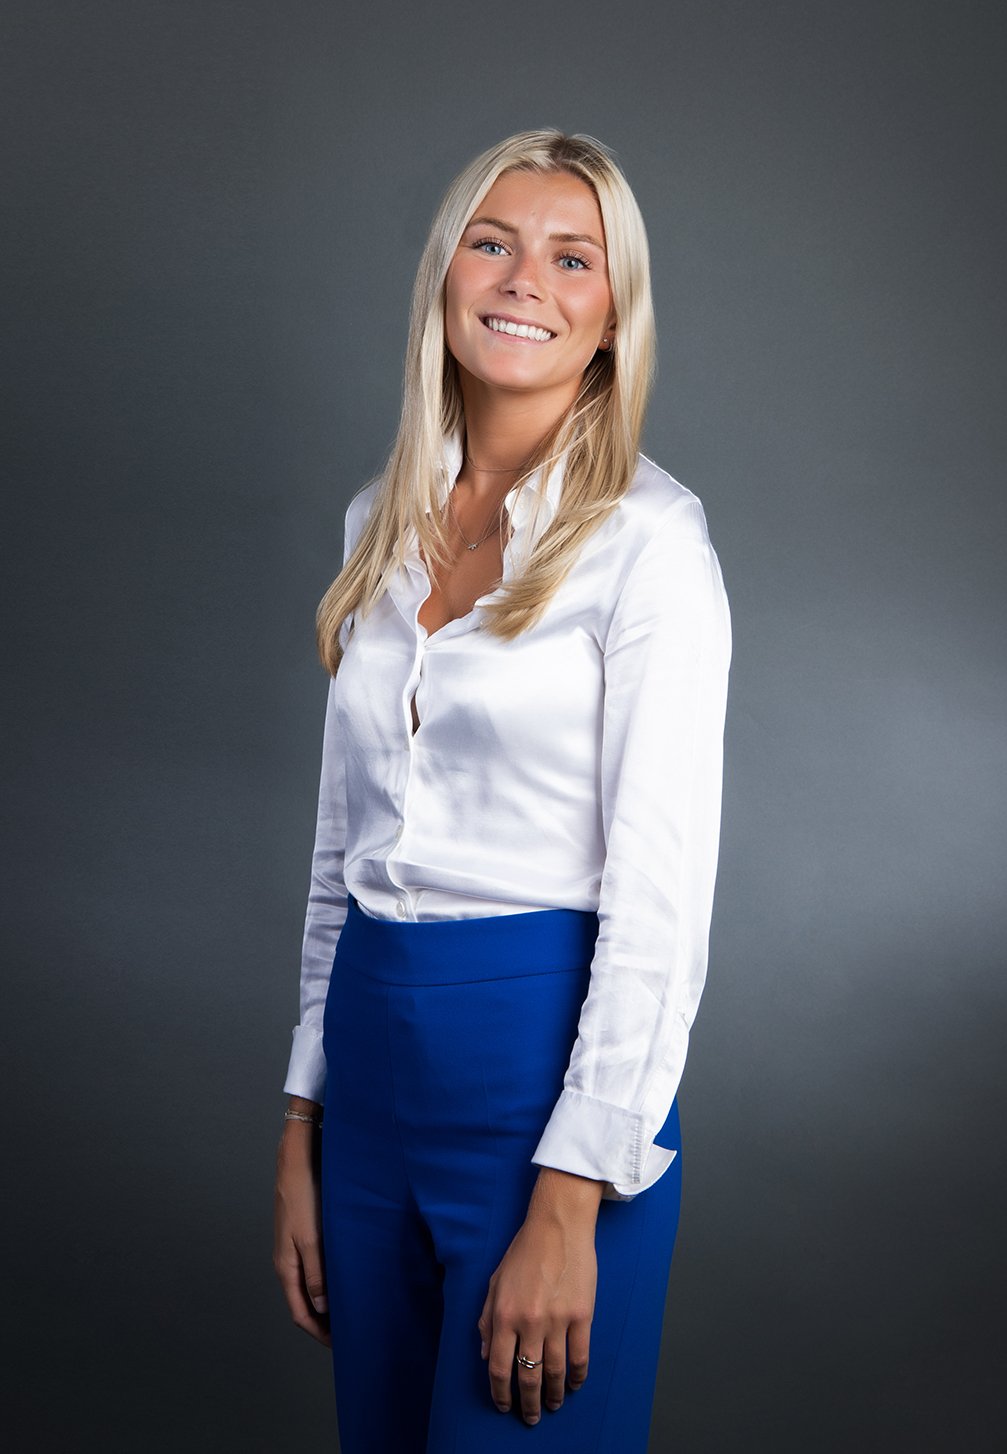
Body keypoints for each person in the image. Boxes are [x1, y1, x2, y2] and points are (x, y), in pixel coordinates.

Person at [272, 128, 732, 1452]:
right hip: (366, 1071)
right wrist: (303, 1125)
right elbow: (339, 851)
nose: (526, 279)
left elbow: (660, 897)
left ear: (612, 315)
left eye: (572, 258)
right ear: (445, 275)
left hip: (541, 1074)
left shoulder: (649, 543)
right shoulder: (377, 521)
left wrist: (572, 1194)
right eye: (493, 242)